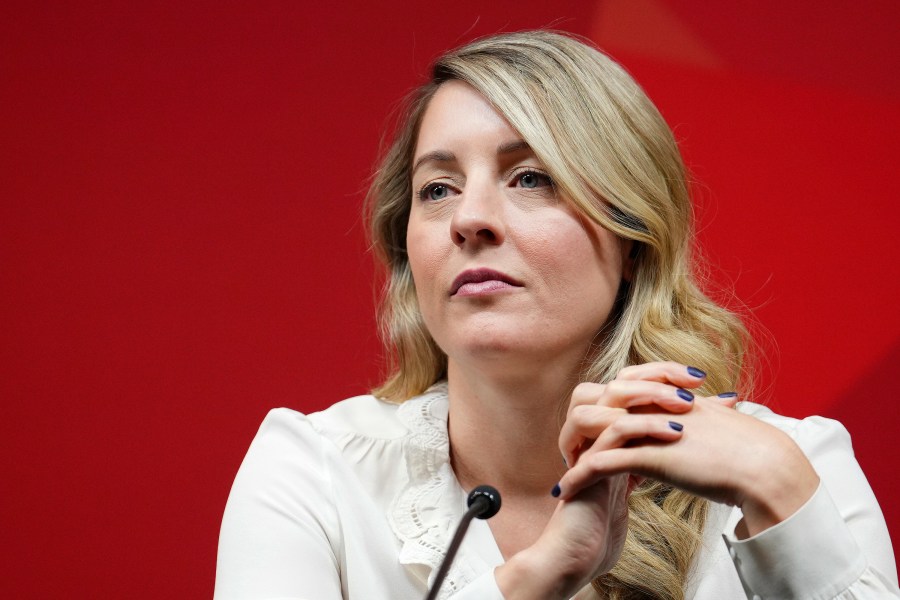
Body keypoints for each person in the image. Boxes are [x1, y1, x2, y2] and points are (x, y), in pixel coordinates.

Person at [214, 30, 898, 599]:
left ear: (633, 239)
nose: (470, 220)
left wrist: (780, 496)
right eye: (438, 189)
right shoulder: (315, 474)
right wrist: (541, 577)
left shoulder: (793, 465)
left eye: (531, 178)